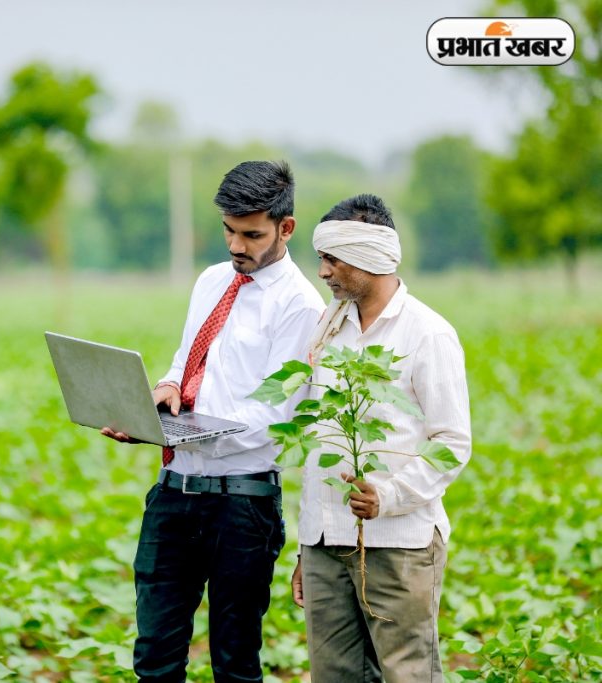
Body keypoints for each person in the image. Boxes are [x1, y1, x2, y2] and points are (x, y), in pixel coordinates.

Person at [102, 160, 324, 682]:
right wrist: (163, 394)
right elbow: (187, 361)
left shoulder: (299, 305)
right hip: (174, 492)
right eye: (228, 230)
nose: (235, 246)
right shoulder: (210, 281)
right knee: (153, 656)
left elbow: (276, 414)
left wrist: (197, 427)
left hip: (243, 506)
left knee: (234, 662)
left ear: (285, 228)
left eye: (251, 234)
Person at [292, 194, 472, 682]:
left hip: (400, 544)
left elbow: (452, 441)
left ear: (370, 257)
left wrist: (388, 496)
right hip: (326, 541)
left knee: (406, 674)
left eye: (331, 259)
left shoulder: (427, 334)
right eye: (321, 260)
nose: (323, 272)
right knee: (334, 676)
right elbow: (319, 439)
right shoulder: (329, 329)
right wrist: (308, 546)